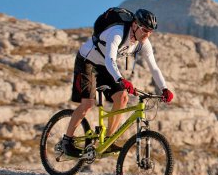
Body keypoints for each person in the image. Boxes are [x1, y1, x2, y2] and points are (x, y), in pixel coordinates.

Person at [62, 8, 174, 157]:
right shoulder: (117, 33)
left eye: (150, 32)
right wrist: (120, 79)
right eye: (145, 30)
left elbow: (154, 67)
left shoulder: (143, 43)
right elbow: (110, 60)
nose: (147, 34)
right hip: (87, 61)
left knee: (122, 97)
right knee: (88, 103)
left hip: (105, 67)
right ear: (134, 25)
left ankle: (108, 140)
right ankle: (67, 141)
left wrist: (164, 88)